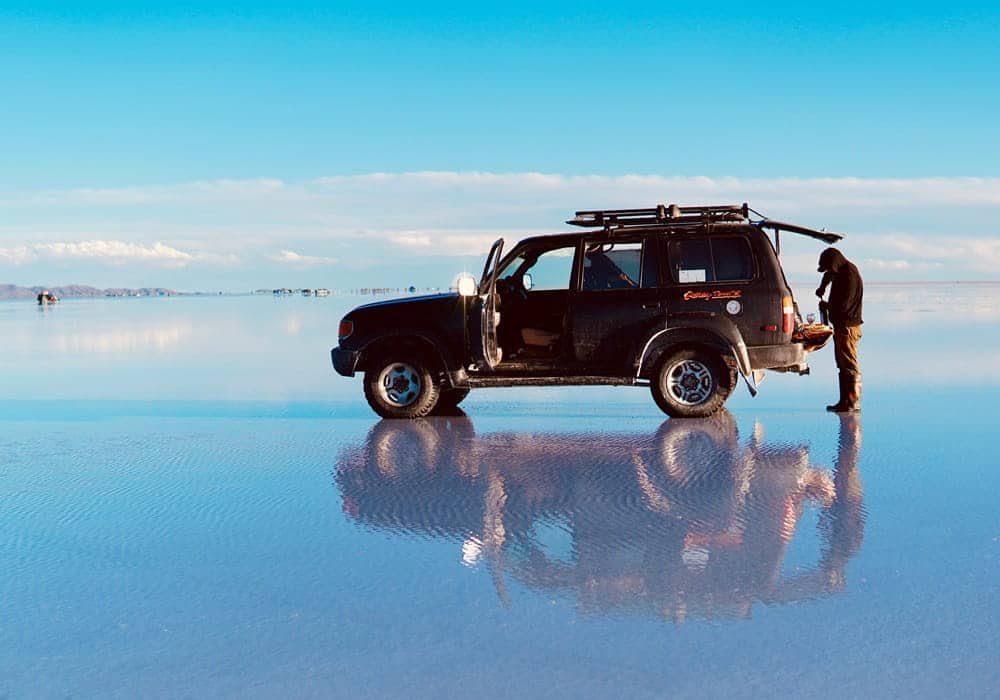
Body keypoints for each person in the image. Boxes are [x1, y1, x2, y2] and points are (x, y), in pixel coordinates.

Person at [816, 248, 863, 412]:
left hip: (848, 327)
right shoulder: (840, 270)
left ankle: (852, 402)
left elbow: (844, 304)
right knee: (842, 363)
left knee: (849, 363)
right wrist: (822, 287)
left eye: (829, 267)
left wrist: (827, 306)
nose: (829, 272)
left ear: (834, 263)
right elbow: (829, 274)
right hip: (842, 326)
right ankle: (844, 401)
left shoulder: (849, 274)